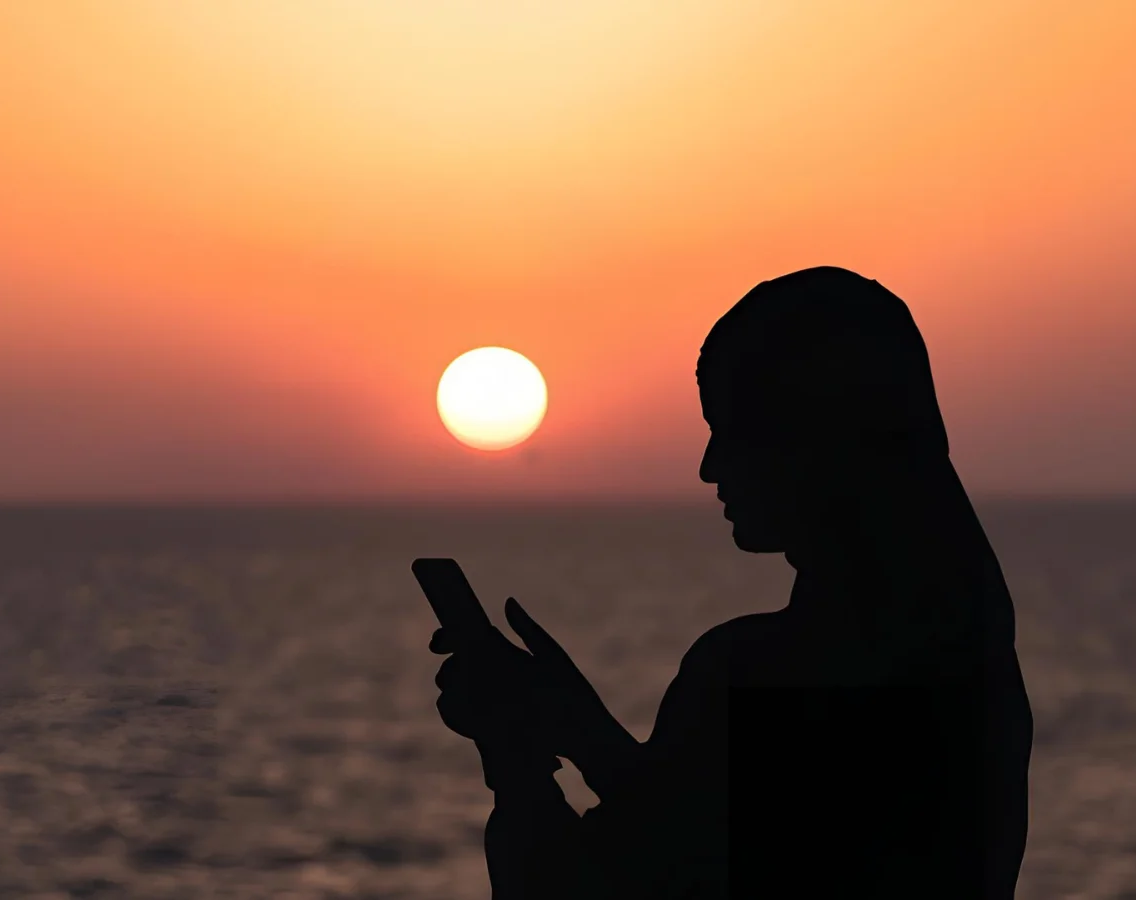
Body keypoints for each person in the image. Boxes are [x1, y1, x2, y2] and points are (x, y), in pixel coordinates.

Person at [429, 266, 1034, 898]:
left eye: (734, 432)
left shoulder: (753, 670)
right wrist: (582, 729)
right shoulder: (972, 663)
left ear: (820, 443)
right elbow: (717, 829)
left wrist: (512, 758)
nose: (707, 467)